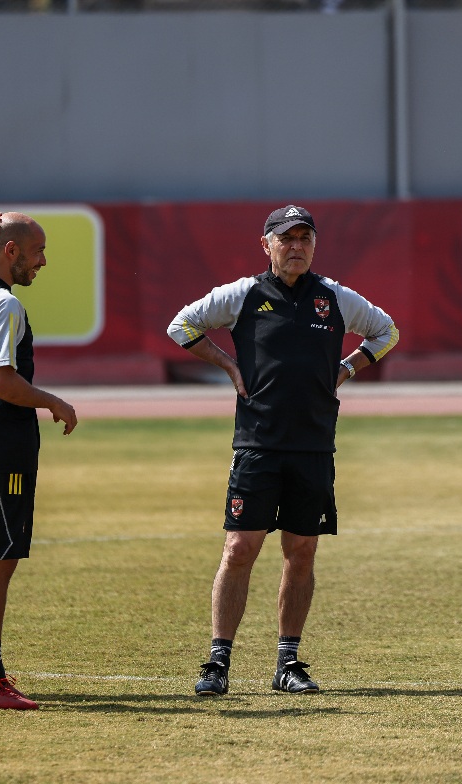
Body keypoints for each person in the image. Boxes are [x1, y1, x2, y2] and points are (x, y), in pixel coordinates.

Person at [168, 205, 398, 697]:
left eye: (305, 238)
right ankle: (218, 661)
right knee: (239, 549)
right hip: (257, 444)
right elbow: (182, 327)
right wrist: (230, 367)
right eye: (286, 238)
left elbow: (387, 331)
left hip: (314, 445)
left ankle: (287, 662)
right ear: (266, 244)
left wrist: (348, 368)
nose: (296, 247)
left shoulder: (334, 297)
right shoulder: (243, 294)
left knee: (301, 550)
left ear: (314, 245)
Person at [0, 212, 78, 710]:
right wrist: (53, 401)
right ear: (11, 252)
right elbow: (1, 380)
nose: (42, 261)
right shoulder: (4, 304)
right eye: (37, 251)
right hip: (1, 444)